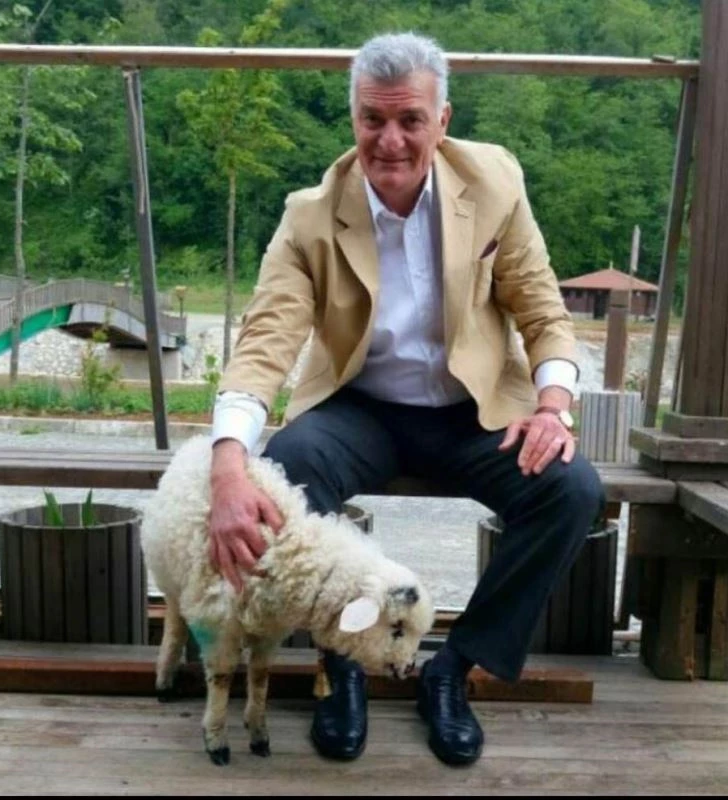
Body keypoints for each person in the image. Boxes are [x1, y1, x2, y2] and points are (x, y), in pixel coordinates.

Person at [207, 31, 604, 767]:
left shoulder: (494, 183)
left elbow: (543, 310)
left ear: (441, 121)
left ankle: (454, 668)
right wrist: (227, 462)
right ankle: (344, 667)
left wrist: (553, 407)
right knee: (286, 465)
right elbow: (266, 341)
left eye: (410, 120)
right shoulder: (309, 215)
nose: (390, 140)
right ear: (353, 119)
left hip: (473, 409)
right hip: (361, 407)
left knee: (572, 488)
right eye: (373, 119)